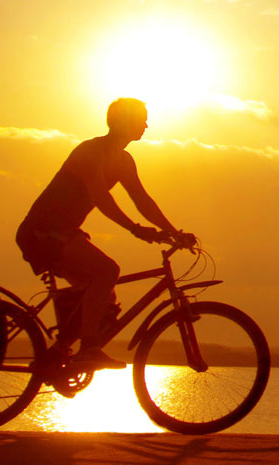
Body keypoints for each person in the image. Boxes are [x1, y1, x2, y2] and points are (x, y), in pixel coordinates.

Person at [16, 98, 190, 370]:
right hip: (42, 232)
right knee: (107, 272)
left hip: (64, 233)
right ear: (123, 122)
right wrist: (134, 228)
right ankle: (88, 350)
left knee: (104, 303)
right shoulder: (90, 151)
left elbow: (142, 200)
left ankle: (58, 357)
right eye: (141, 119)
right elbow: (100, 196)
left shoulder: (123, 160)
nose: (146, 124)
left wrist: (173, 232)